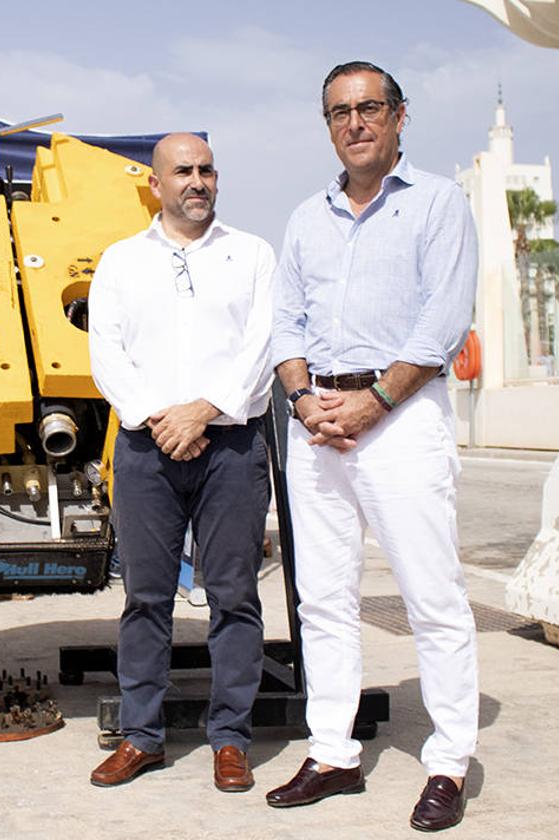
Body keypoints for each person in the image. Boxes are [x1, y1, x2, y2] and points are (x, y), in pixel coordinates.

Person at [266, 62, 479, 833]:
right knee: (321, 598)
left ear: (398, 116)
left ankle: (449, 761)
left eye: (369, 108)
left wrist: (373, 402)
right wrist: (301, 398)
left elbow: (443, 322)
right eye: (338, 112)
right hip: (314, 421)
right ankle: (333, 753)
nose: (354, 123)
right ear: (327, 124)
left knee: (432, 595)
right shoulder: (304, 219)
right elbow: (284, 321)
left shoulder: (438, 204)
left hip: (401, 417)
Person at [86, 133, 274, 792]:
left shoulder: (251, 254)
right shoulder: (119, 262)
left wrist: (204, 411)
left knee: (235, 597)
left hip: (230, 447)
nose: (197, 181)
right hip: (145, 446)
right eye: (183, 171)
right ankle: (141, 737)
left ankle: (231, 739)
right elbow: (106, 353)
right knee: (145, 599)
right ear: (155, 185)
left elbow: (261, 347)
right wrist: (165, 419)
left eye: (207, 169)